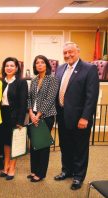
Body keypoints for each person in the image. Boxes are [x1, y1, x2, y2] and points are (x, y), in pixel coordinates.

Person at [54, 42, 99, 190]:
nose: (67, 55)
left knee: (80, 148)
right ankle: (66, 170)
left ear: (77, 52)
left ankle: (78, 177)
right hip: (62, 115)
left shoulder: (89, 68)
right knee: (65, 146)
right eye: (65, 53)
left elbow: (91, 96)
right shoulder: (60, 68)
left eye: (70, 52)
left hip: (80, 118)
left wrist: (85, 117)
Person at [27, 55, 58, 182]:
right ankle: (34, 170)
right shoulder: (34, 80)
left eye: (42, 62)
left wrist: (38, 115)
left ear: (47, 65)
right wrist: (30, 113)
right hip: (32, 115)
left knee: (43, 145)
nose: (39, 65)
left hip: (46, 116)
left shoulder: (52, 80)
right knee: (34, 144)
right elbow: (29, 98)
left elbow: (50, 99)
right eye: (37, 63)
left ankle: (41, 173)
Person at [0, 57, 28, 180]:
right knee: (5, 141)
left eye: (12, 66)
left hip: (15, 116)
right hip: (2, 115)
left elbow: (23, 103)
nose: (9, 68)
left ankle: (12, 167)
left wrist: (20, 121)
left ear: (16, 68)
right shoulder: (1, 81)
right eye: (7, 65)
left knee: (15, 142)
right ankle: (6, 164)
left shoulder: (21, 82)